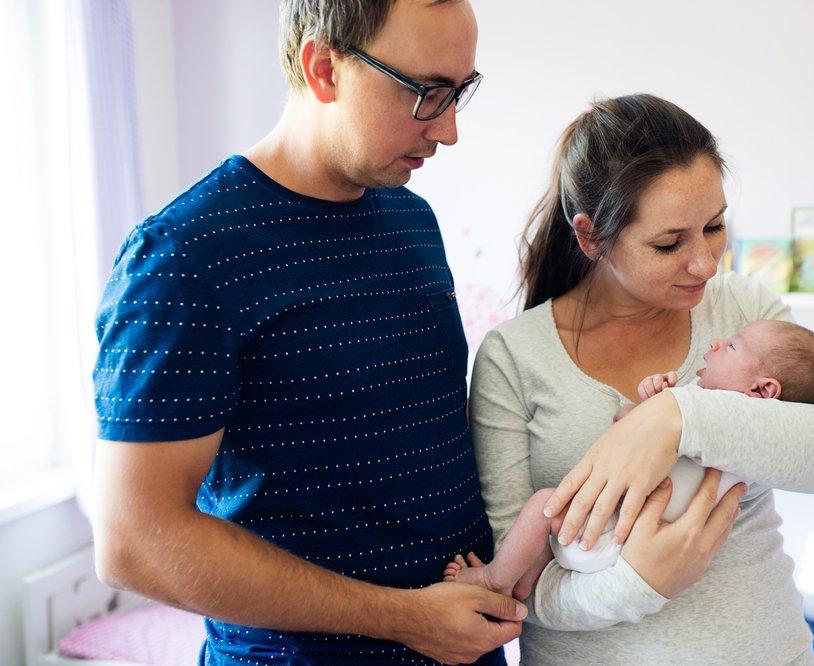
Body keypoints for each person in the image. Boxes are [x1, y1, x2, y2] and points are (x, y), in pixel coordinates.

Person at [90, 2, 521, 664]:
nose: (450, 130)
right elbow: (133, 542)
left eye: (460, 92)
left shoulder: (412, 219)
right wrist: (405, 618)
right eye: (426, 94)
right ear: (324, 68)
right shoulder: (184, 254)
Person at [469, 94, 814, 664]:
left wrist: (677, 417)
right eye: (669, 244)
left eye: (714, 226)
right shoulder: (515, 357)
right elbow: (519, 585)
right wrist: (640, 582)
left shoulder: (744, 311)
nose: (706, 264)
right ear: (590, 237)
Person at [443, 319, 814, 600]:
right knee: (551, 526)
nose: (717, 343)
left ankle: (495, 581)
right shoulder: (755, 445)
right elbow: (636, 440)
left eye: (733, 346)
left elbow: (625, 425)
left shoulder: (716, 417)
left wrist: (650, 409)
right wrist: (653, 407)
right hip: (619, 544)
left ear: (763, 390)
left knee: (544, 507)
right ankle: (524, 580)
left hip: (612, 536)